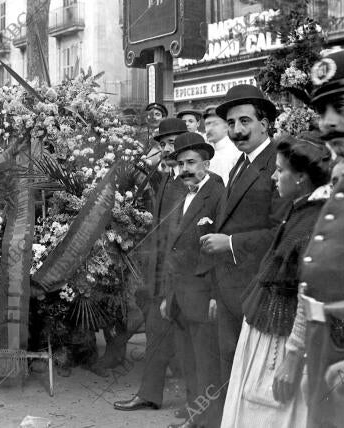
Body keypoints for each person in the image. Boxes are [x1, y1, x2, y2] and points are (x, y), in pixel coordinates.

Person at [221, 133, 330, 428]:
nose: (273, 177)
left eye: (280, 170)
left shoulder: (313, 224)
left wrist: (293, 359)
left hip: (283, 343)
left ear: (302, 178)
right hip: (267, 333)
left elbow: (313, 297)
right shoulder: (299, 211)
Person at [200, 85, 290, 409]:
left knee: (253, 379)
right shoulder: (239, 164)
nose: (237, 130)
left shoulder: (278, 164)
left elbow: (283, 233)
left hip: (259, 291)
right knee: (230, 374)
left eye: (245, 121)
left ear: (265, 123)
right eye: (232, 123)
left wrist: (231, 243)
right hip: (229, 291)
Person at [290, 49, 344, 428]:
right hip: (324, 346)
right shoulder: (339, 178)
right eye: (322, 110)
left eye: (341, 106)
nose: (328, 123)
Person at [113, 118, 189, 413]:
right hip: (160, 273)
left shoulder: (192, 179)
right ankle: (149, 394)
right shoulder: (168, 176)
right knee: (157, 336)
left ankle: (198, 403)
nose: (168, 148)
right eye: (163, 143)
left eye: (173, 142)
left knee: (190, 340)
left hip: (183, 274)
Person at [160, 132, 224, 428]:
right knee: (188, 361)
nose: (184, 169)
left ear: (206, 163)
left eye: (191, 162)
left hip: (203, 292)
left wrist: (215, 295)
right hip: (179, 293)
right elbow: (171, 248)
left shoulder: (217, 193)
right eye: (180, 163)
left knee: (206, 363)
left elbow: (219, 251)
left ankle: (208, 421)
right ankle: (193, 415)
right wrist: (166, 295)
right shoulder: (181, 194)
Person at [203, 106, 241, 185]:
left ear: (226, 126)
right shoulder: (206, 154)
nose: (209, 129)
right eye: (207, 124)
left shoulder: (236, 152)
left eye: (215, 124)